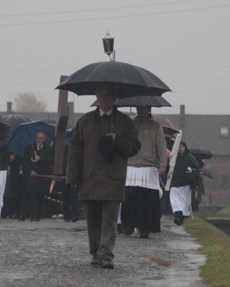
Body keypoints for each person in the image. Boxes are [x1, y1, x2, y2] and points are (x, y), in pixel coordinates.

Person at [66, 83, 141, 269]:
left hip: (112, 178)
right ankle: (95, 252)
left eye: (108, 95)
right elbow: (75, 151)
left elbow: (134, 147)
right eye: (101, 94)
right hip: (90, 177)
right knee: (92, 218)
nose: (105, 98)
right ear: (96, 96)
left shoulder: (124, 122)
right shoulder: (85, 121)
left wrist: (117, 141)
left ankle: (106, 254)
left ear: (114, 97)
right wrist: (73, 177)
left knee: (109, 218)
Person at [120, 106, 167, 239]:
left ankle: (145, 227)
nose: (140, 110)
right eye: (138, 108)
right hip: (131, 163)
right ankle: (128, 224)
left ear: (148, 109)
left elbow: (162, 147)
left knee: (146, 200)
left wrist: (162, 165)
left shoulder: (156, 126)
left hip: (148, 165)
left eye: (142, 108)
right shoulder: (129, 123)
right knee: (129, 198)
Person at [21, 131, 54, 221]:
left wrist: (41, 159)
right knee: (32, 195)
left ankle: (39, 213)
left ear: (44, 139)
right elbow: (25, 161)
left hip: (42, 177)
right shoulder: (29, 148)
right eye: (37, 137)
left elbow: (51, 160)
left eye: (40, 138)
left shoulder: (49, 149)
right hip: (31, 176)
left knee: (40, 196)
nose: (38, 139)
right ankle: (34, 215)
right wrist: (30, 171)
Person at [168, 141, 200, 225]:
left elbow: (196, 169)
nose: (180, 148)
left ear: (185, 147)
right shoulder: (173, 158)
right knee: (175, 200)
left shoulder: (190, 158)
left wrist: (191, 173)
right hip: (175, 182)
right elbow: (168, 168)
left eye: (182, 146)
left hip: (186, 183)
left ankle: (181, 217)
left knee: (184, 201)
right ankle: (178, 216)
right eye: (179, 147)